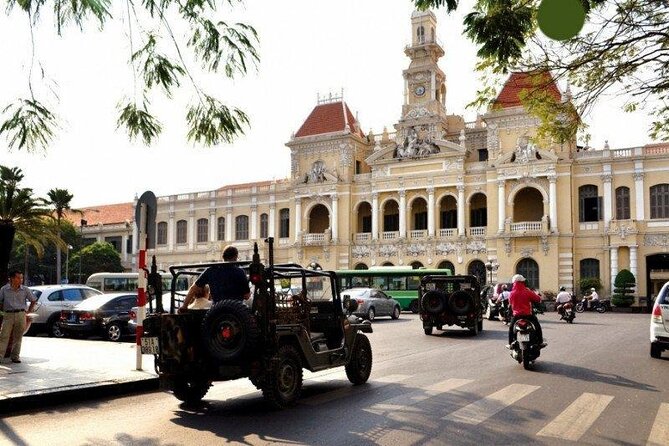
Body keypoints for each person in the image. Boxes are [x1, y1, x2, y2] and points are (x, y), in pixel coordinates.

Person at [178, 246, 250, 313]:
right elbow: (247, 296)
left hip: (216, 311)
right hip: (237, 312)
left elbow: (193, 288)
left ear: (223, 257)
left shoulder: (211, 270)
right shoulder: (240, 272)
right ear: (236, 257)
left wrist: (184, 306)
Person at [0, 270, 37, 364]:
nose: (21, 280)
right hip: (8, 314)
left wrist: (28, 311)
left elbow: (33, 300)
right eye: (18, 277)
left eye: (21, 277)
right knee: (4, 336)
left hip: (21, 314)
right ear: (12, 278)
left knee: (18, 336)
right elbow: (0, 301)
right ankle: (0, 357)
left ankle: (15, 356)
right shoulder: (4, 289)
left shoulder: (25, 289)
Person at [507, 274, 545, 348]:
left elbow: (510, 304)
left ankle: (510, 343)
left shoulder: (511, 293)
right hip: (528, 315)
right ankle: (540, 342)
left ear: (513, 283)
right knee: (537, 326)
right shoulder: (527, 291)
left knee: (511, 328)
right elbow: (537, 299)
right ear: (522, 282)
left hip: (517, 316)